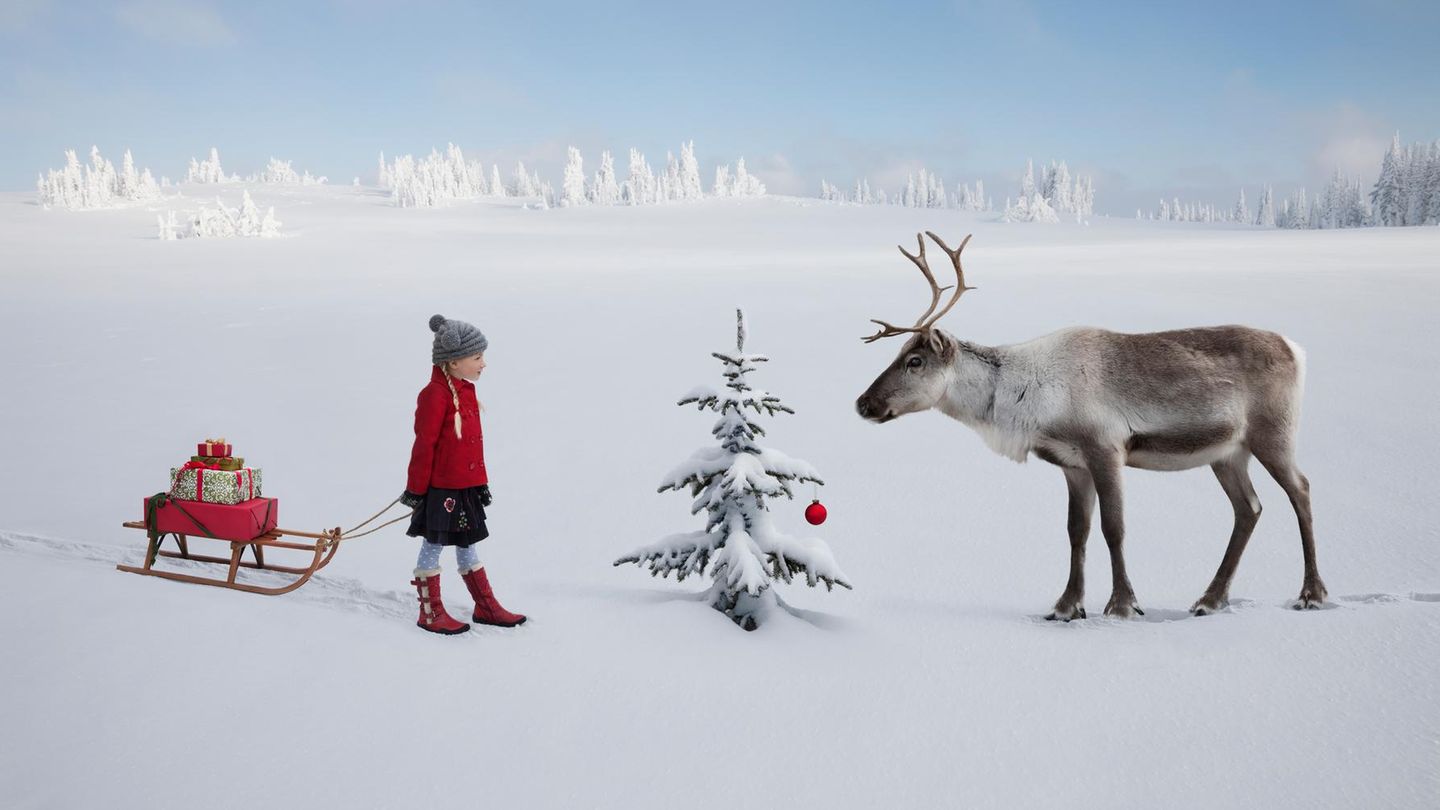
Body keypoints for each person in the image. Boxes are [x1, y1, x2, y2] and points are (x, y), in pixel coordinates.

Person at [400, 314, 527, 635]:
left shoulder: (464, 391)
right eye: (477, 357)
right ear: (454, 361)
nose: (483, 364)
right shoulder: (435, 395)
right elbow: (424, 445)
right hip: (442, 490)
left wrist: (478, 484)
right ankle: (430, 611)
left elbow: (469, 448)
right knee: (433, 543)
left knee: (468, 544)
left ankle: (486, 605)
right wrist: (416, 490)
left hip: (463, 488)